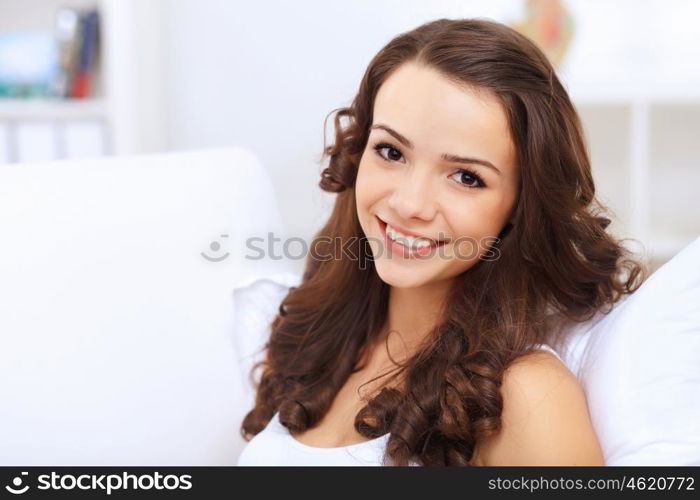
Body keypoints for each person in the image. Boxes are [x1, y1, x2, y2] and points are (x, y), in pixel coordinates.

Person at [236, 18, 647, 466]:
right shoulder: (313, 338)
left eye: (466, 177)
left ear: (521, 207)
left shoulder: (526, 398)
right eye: (391, 152)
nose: (410, 203)